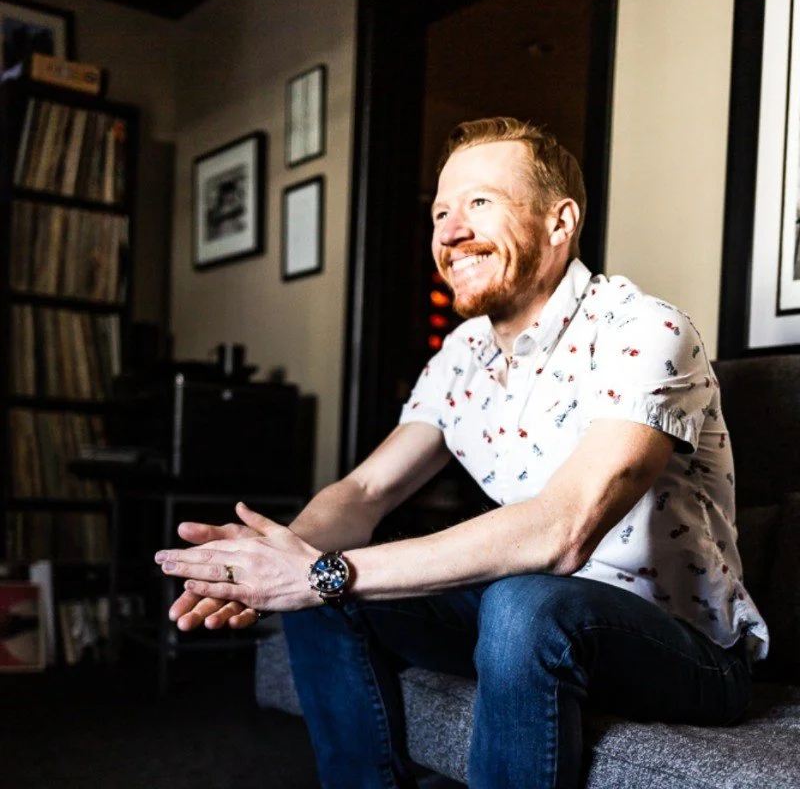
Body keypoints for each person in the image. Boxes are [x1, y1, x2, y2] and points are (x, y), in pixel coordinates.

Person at [155, 117, 768, 789]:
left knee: (522, 603)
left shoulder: (646, 329)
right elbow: (363, 495)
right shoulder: (463, 356)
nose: (448, 232)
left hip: (684, 648)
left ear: (560, 222)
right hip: (532, 622)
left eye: (480, 203)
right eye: (441, 212)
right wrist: (276, 563)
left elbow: (563, 531)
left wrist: (322, 571)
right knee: (332, 595)